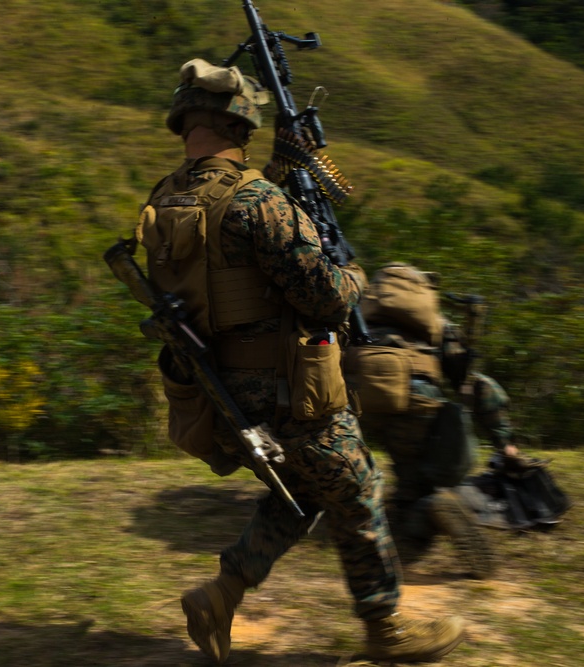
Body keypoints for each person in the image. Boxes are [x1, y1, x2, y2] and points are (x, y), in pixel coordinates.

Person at [136, 59, 466, 664]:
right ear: (242, 125)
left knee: (306, 492)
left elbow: (224, 263)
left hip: (221, 394)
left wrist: (284, 174)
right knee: (360, 490)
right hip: (291, 394)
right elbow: (327, 296)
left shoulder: (163, 200)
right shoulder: (259, 201)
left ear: (186, 122)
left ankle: (222, 593)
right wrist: (353, 275)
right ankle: (384, 628)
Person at [342, 262, 527, 577]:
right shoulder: (437, 324)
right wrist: (504, 441)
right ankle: (428, 512)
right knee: (418, 492)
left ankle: (399, 503)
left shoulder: (360, 316)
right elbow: (468, 380)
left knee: (403, 475)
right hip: (417, 397)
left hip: (362, 403)